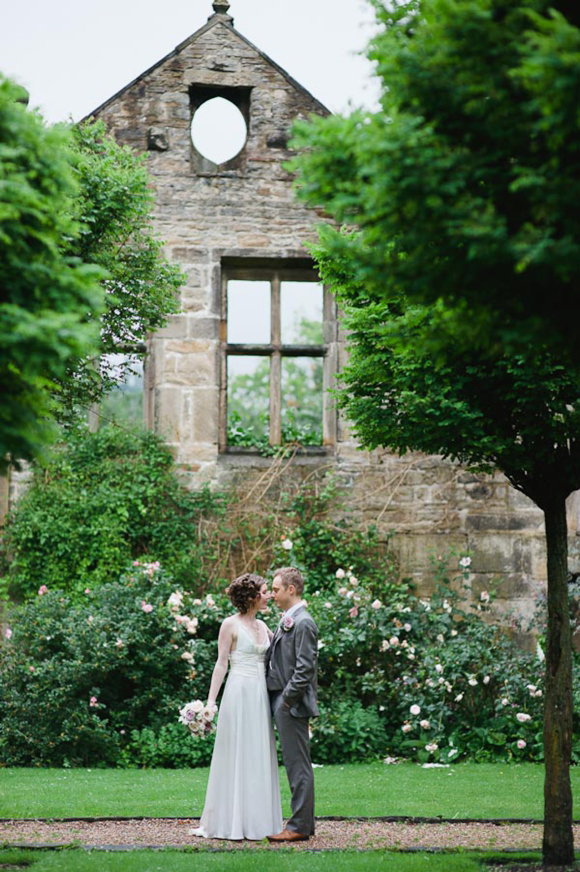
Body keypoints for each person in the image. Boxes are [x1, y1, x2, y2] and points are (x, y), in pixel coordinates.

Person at [191, 573, 283, 840]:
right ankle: (227, 821)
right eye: (265, 591)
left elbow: (277, 656)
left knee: (257, 752)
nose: (269, 596)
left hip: (259, 695)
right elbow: (221, 664)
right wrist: (210, 702)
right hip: (238, 692)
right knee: (235, 752)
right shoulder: (229, 625)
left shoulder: (265, 625)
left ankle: (257, 820)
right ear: (253, 596)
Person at [266, 566, 319, 842]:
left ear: (291, 589)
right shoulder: (288, 619)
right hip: (283, 701)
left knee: (298, 765)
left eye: (275, 589)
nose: (272, 594)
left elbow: (304, 669)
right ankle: (304, 825)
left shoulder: (303, 622)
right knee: (295, 763)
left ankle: (298, 826)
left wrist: (285, 701)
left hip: (291, 705)